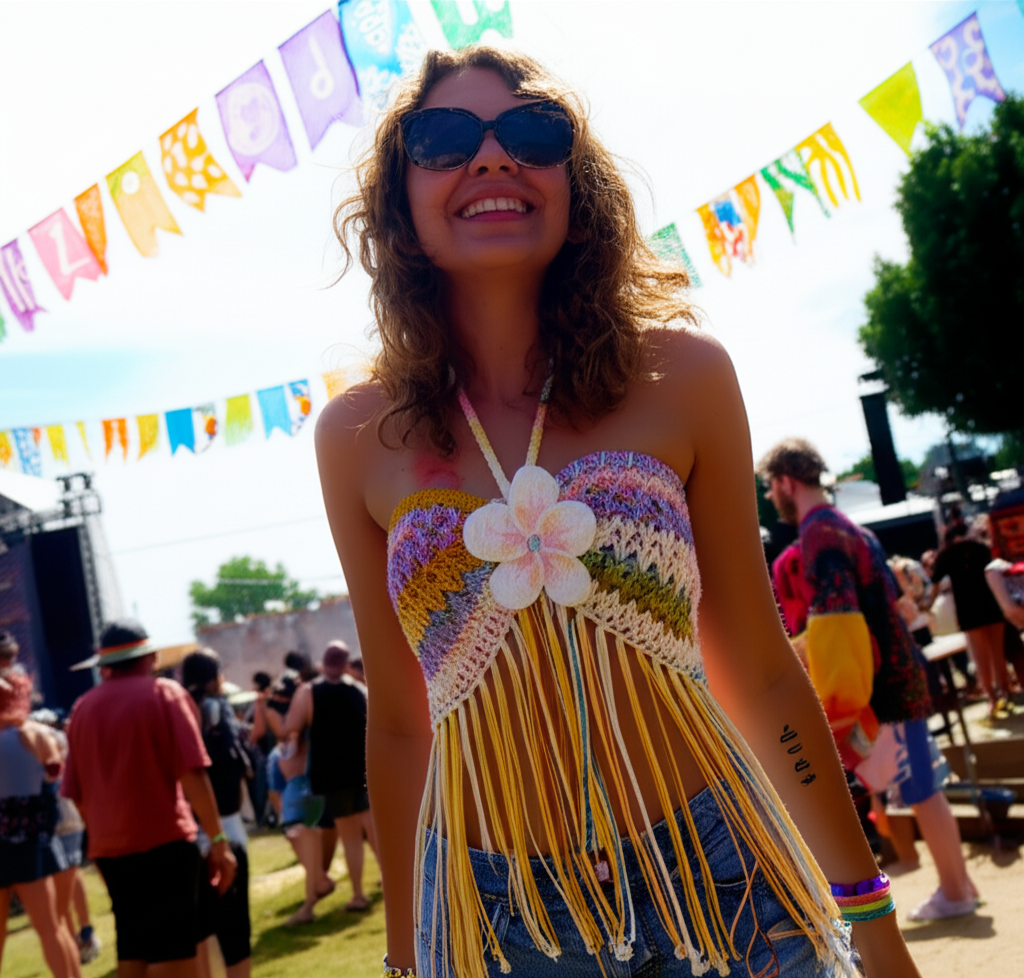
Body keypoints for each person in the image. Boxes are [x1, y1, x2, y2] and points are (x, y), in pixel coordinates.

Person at [317, 45, 922, 977]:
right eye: (443, 140)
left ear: (576, 181)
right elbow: (400, 725)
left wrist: (871, 920)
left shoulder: (683, 377)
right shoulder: (359, 435)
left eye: (530, 132)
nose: (491, 159)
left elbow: (757, 668)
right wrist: (405, 960)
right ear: (399, 202)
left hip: (726, 886)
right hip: (497, 923)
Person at [759, 439, 978, 923]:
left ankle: (956, 891)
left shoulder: (819, 536)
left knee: (922, 788)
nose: (772, 499)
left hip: (886, 689)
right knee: (926, 785)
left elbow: (837, 621)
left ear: (785, 482)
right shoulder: (848, 527)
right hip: (901, 676)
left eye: (771, 488)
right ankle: (960, 883)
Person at [62, 619, 236, 978]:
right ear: (150, 657)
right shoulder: (165, 694)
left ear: (105, 666)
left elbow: (76, 794)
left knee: (133, 950)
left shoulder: (82, 708)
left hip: (110, 851)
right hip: (166, 844)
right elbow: (192, 772)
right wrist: (219, 839)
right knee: (173, 952)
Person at [0, 634, 81, 978]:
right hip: (31, 838)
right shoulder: (36, 735)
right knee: (52, 927)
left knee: (49, 928)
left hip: (23, 836)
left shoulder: (29, 735)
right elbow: (53, 774)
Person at [285, 641, 377, 913]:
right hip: (361, 772)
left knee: (350, 835)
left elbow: (291, 726)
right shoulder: (359, 691)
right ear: (346, 662)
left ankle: (359, 894)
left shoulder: (309, 692)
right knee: (371, 830)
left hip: (331, 777)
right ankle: (379, 888)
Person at [181, 649, 252, 978]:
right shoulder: (214, 706)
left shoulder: (181, 705)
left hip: (190, 825)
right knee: (233, 924)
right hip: (224, 825)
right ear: (213, 676)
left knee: (199, 926)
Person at [931, 522, 1012, 717]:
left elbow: (934, 584)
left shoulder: (946, 554)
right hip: (991, 604)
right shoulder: (981, 548)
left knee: (980, 657)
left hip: (968, 610)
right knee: (997, 653)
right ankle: (1005, 693)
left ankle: (992, 698)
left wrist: (927, 605)